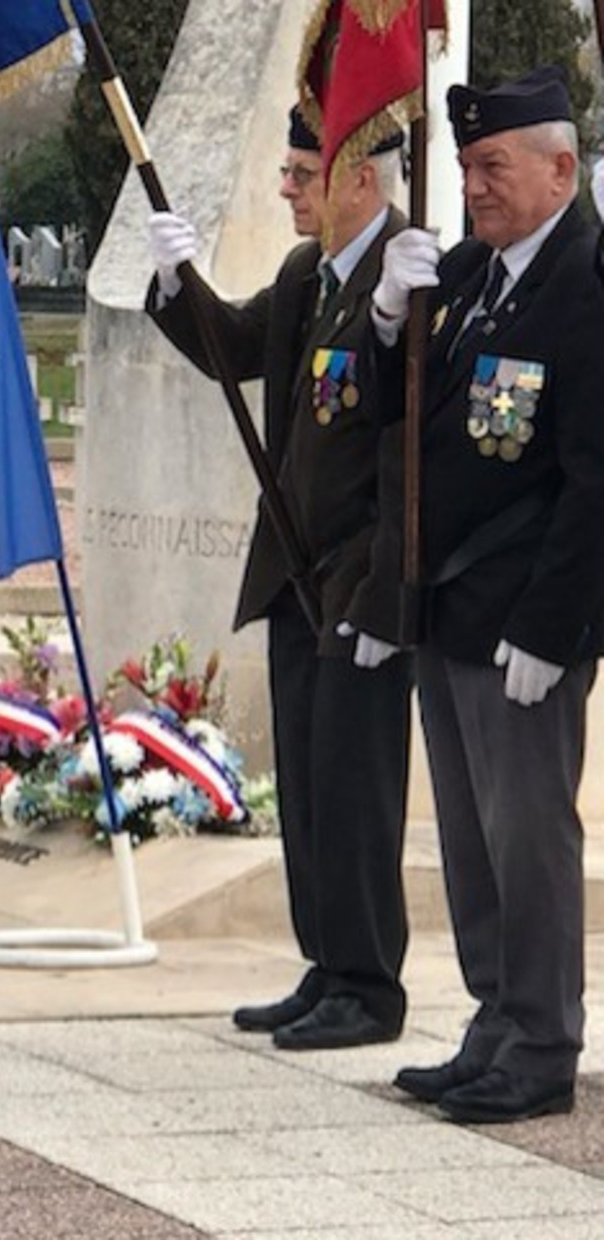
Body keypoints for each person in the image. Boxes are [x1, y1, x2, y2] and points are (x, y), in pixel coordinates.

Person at [345, 66, 604, 1123]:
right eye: (465, 167)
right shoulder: (469, 273)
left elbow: (595, 477)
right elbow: (388, 424)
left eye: (493, 166)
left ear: (560, 168)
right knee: (469, 836)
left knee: (529, 834)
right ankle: (495, 1017)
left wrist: (556, 624)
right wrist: (383, 313)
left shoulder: (587, 286)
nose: (474, 186)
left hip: (525, 621)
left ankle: (542, 1041)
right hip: (449, 610)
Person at [143, 109, 412, 1050]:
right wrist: (179, 282)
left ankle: (371, 985)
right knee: (306, 784)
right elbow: (235, 349)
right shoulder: (311, 275)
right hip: (295, 572)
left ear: (361, 184)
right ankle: (327, 963)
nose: (288, 189)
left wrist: (389, 585)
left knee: (356, 786)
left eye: (304, 173)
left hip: (363, 574)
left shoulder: (409, 276)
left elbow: (409, 444)